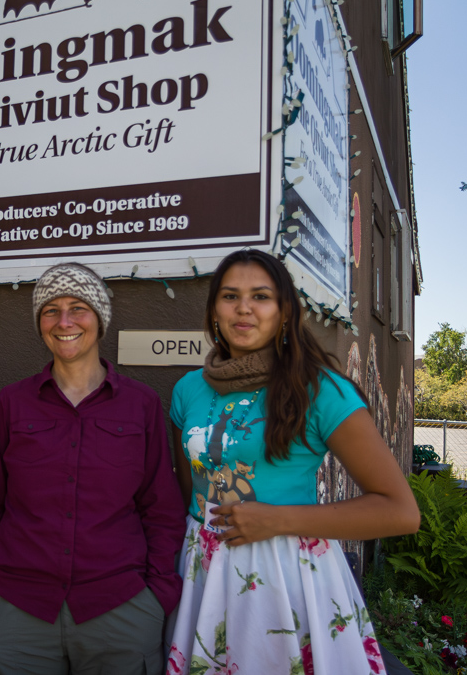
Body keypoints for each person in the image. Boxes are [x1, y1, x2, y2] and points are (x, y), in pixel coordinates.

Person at [165, 249, 421, 675]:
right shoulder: (189, 388)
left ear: (285, 312)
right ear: (213, 309)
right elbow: (188, 491)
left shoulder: (321, 390)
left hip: (282, 575)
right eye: (229, 296)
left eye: (261, 296)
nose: (243, 307)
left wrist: (278, 521)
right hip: (202, 569)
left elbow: (400, 511)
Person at [0, 262, 186, 675]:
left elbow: (161, 508)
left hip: (120, 609)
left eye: (78, 307)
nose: (64, 321)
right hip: (15, 609)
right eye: (50, 310)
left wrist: (157, 594)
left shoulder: (141, 404)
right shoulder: (13, 403)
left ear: (100, 319)